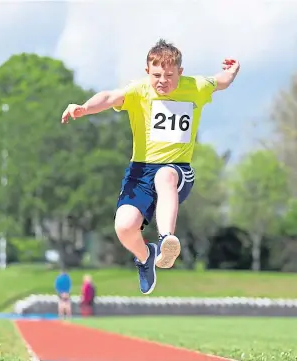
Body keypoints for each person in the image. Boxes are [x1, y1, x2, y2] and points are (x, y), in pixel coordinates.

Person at [61, 39, 240, 295]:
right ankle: (146, 257)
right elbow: (110, 96)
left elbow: (220, 81)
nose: (162, 81)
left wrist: (231, 72)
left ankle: (166, 238)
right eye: (156, 75)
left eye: (169, 75)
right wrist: (84, 108)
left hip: (177, 169)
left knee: (165, 176)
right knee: (124, 227)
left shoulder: (196, 87)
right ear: (147, 72)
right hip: (140, 172)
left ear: (180, 72)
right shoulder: (139, 90)